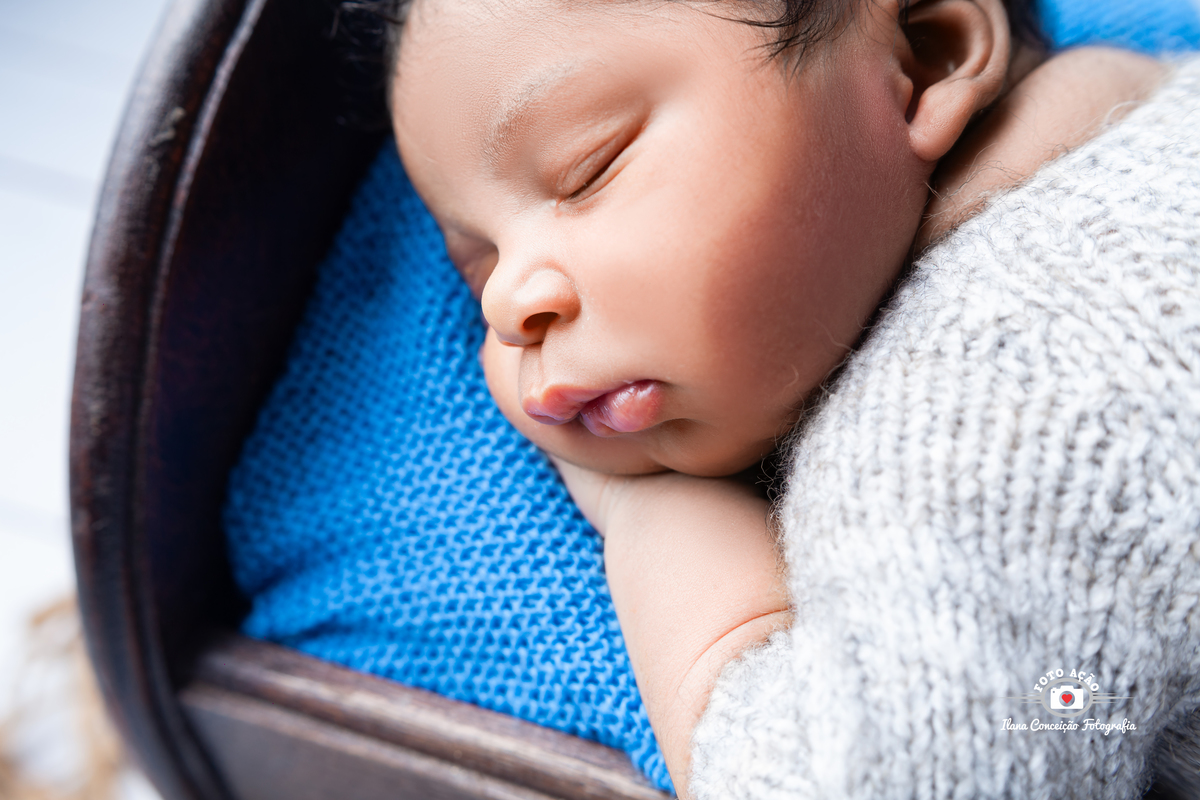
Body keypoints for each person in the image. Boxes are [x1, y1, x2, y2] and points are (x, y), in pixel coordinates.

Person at [384, 0, 1200, 796]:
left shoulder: (984, 408)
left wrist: (657, 526)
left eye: (587, 167)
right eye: (479, 263)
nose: (504, 306)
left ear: (924, 58)